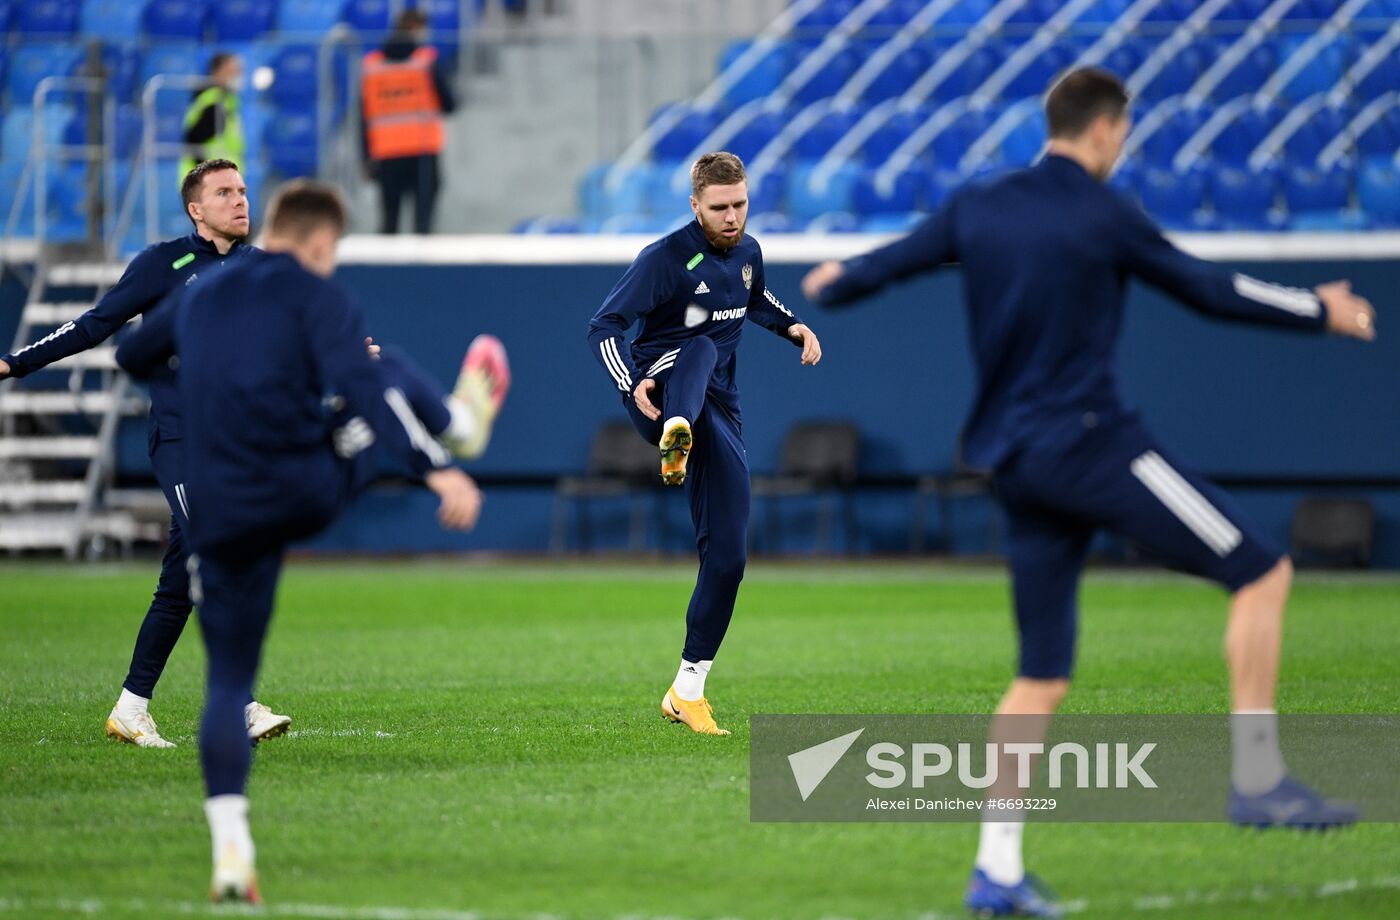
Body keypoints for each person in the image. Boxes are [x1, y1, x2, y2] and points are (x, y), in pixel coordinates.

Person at [802, 68, 1376, 917]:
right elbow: (1208, 290)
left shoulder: (979, 206)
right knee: (1262, 573)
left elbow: (876, 270)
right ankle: (1259, 779)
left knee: (1040, 676)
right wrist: (1316, 309)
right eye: (1125, 132)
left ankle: (996, 870)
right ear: (1106, 128)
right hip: (1092, 445)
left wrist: (835, 280)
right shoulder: (1103, 213)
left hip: (1014, 464)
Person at [116, 179, 499, 903]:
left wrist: (205, 372)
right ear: (321, 243)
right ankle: (458, 423)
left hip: (219, 506)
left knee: (229, 683)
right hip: (302, 487)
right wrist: (439, 471)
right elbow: (366, 394)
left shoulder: (202, 292)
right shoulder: (322, 298)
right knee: (382, 366)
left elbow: (134, 356)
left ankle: (231, 849)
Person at [0, 159, 291, 749]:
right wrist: (16, 362)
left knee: (180, 583)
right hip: (182, 440)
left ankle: (131, 710)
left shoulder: (261, 269)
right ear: (195, 209)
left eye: (242, 190)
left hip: (235, 447)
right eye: (224, 193)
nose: (240, 200)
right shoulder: (163, 263)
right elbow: (94, 324)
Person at [587, 152, 823, 736]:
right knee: (700, 347)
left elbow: (755, 297)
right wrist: (630, 385)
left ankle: (687, 692)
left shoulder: (748, 253)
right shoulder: (665, 258)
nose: (732, 216)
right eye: (719, 207)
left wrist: (793, 325)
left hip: (719, 412)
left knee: (730, 558)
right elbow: (604, 325)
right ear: (695, 206)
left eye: (740, 204)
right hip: (658, 391)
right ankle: (676, 432)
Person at [360, 8, 457, 234]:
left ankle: (384, 259)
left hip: (386, 152)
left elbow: (363, 117)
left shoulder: (372, 65)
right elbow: (449, 104)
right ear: (416, 28)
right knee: (423, 224)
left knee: (389, 221)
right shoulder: (426, 61)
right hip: (422, 150)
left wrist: (365, 157)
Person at [181, 53, 245, 178]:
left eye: (240, 71)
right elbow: (194, 141)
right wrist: (207, 178)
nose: (238, 76)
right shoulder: (214, 103)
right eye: (233, 71)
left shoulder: (227, 101)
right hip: (209, 182)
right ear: (217, 72)